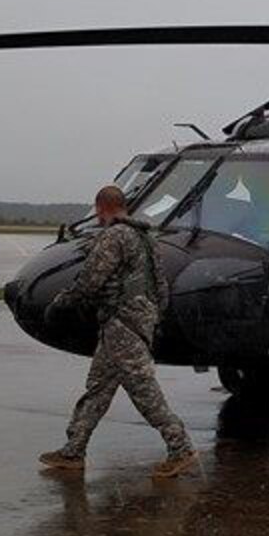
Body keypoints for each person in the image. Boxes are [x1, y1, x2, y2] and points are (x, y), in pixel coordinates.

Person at [39, 185, 198, 478]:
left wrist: (61, 303)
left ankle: (181, 447)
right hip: (131, 322)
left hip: (122, 324)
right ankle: (74, 450)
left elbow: (91, 279)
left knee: (143, 390)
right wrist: (153, 319)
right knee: (98, 388)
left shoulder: (114, 236)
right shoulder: (146, 237)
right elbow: (161, 285)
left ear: (101, 208)